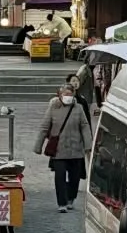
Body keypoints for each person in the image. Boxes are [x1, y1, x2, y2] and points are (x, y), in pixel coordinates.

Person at [34, 81, 93, 212]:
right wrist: (38, 146)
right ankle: (62, 203)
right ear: (60, 95)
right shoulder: (53, 108)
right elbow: (44, 127)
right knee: (59, 177)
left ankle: (71, 198)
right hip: (59, 150)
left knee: (75, 178)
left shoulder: (78, 108)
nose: (68, 97)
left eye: (70, 94)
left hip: (76, 149)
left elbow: (84, 126)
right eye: (65, 94)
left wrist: (88, 144)